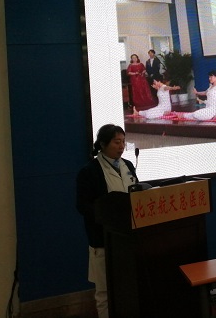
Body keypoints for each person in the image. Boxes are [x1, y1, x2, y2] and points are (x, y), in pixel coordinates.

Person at [76, 124, 138, 318]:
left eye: (123, 142)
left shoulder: (128, 165)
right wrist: (107, 213)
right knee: (104, 292)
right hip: (103, 239)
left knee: (127, 287)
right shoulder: (89, 171)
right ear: (103, 144)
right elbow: (82, 206)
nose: (121, 146)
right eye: (116, 142)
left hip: (127, 236)